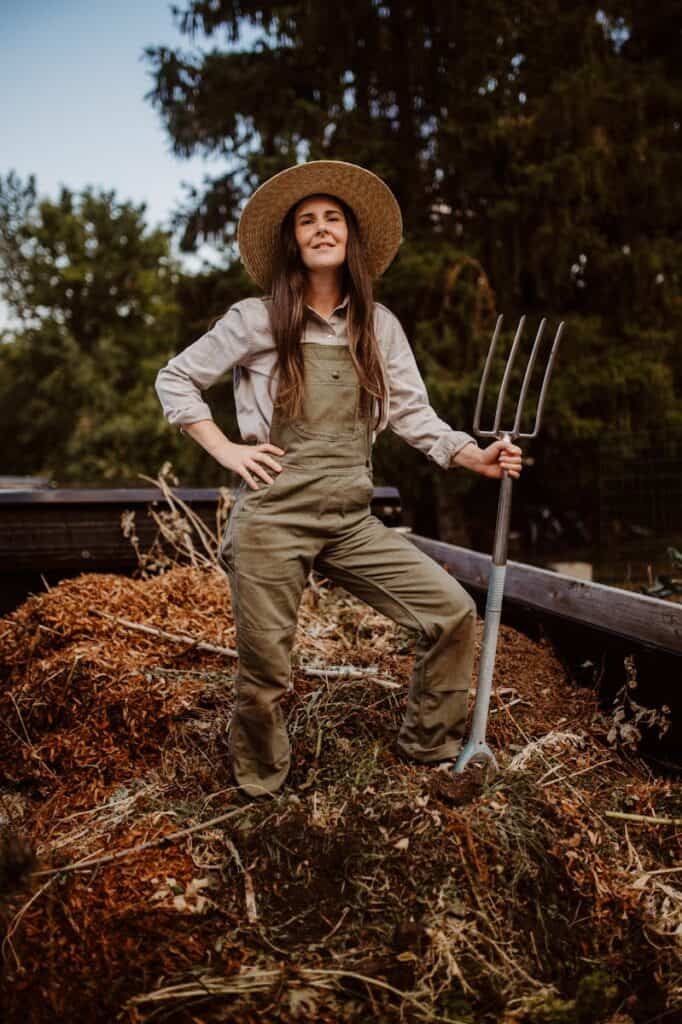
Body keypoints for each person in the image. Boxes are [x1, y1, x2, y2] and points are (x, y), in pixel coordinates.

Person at [155, 160, 523, 798]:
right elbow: (175, 378)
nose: (321, 229)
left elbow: (412, 413)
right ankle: (261, 788)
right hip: (274, 518)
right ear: (292, 241)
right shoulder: (257, 318)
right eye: (307, 221)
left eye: (332, 219)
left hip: (350, 519)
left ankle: (427, 748)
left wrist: (473, 455)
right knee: (266, 670)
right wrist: (226, 450)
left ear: (350, 237)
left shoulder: (378, 327)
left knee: (451, 613)